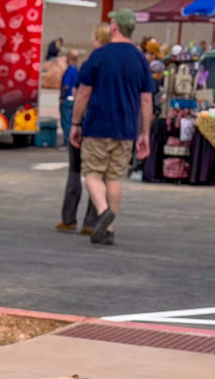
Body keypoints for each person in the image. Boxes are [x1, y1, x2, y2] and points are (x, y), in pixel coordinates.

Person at [70, 9, 154, 246]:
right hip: (126, 129)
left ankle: (104, 211)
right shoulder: (140, 59)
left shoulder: (99, 56)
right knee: (114, 177)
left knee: (92, 174)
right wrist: (145, 132)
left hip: (98, 125)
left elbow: (83, 93)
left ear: (114, 27)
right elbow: (146, 100)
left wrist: (75, 123)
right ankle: (109, 229)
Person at [56, 24, 109, 235]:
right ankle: (91, 221)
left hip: (86, 123)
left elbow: (80, 94)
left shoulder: (90, 64)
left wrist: (75, 123)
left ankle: (68, 218)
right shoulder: (115, 65)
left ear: (98, 39)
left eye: (93, 37)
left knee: (75, 172)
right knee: (98, 175)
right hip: (105, 126)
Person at [58, 48, 80, 146]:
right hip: (74, 99)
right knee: (72, 120)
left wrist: (61, 97)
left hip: (67, 99)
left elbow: (66, 86)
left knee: (66, 121)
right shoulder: (77, 70)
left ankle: (67, 141)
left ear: (69, 58)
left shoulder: (69, 70)